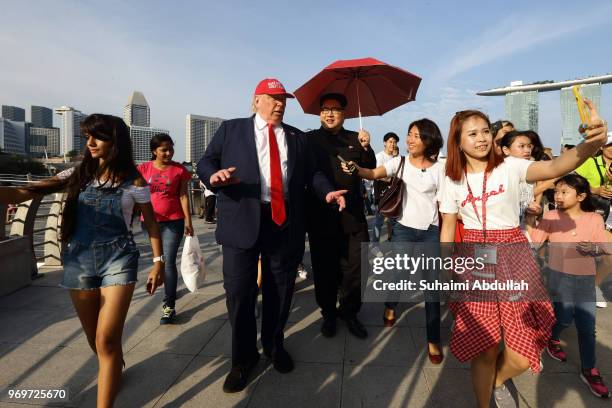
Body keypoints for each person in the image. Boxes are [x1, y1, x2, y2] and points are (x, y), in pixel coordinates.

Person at [438, 104, 609, 408]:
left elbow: (556, 167)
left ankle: (498, 379)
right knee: (486, 348)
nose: (481, 138)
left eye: (486, 131)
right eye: (472, 133)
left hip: (514, 255)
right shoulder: (451, 178)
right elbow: (448, 227)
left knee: (520, 351)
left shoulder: (510, 167)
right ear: (458, 140)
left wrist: (592, 143)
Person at [0, 114, 165, 408]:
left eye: (97, 137)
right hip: (79, 259)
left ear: (116, 142)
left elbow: (151, 223)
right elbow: (27, 191)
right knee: (95, 340)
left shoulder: (134, 181)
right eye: (87, 136)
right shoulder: (76, 175)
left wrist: (158, 261)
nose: (90, 143)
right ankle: (114, 364)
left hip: (119, 258)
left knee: (106, 340)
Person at [197, 78, 347, 393]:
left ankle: (274, 345)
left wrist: (327, 193)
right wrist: (214, 176)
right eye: (273, 98)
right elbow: (206, 162)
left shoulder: (297, 138)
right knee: (239, 293)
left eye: (283, 100)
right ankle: (242, 359)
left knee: (280, 289)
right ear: (256, 101)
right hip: (241, 219)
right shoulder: (232, 130)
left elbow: (314, 175)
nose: (279, 104)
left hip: (283, 222)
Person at [343, 118, 445, 363]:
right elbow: (373, 173)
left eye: (416, 135)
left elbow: (445, 205)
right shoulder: (398, 163)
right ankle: (390, 304)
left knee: (432, 286)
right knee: (399, 275)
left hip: (431, 231)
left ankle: (433, 338)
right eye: (409, 134)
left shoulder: (440, 168)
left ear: (429, 140)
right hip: (402, 229)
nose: (410, 139)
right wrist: (357, 169)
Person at [526, 174, 611, 398]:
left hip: (584, 280)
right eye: (557, 192)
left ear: (581, 196)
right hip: (557, 278)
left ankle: (590, 370)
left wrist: (594, 249)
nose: (558, 196)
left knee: (587, 328)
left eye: (565, 192)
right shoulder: (551, 216)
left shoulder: (594, 219)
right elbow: (533, 242)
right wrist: (529, 218)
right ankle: (550, 339)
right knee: (562, 318)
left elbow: (605, 247)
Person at [305, 93, 376, 340]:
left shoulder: (356, 139)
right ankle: (328, 314)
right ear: (320, 113)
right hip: (321, 217)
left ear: (344, 114)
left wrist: (366, 148)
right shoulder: (310, 139)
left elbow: (370, 170)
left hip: (353, 216)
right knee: (324, 269)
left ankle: (350, 312)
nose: (330, 113)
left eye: (335, 109)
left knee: (355, 269)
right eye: (325, 109)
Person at [138, 133, 193, 324]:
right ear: (154, 151)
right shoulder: (143, 169)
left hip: (173, 221)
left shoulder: (179, 170)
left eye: (170, 149)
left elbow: (183, 196)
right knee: (158, 260)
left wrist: (188, 221)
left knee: (168, 261)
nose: (168, 153)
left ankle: (169, 306)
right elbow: (133, 193)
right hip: (149, 222)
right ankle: (167, 290)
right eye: (164, 150)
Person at [372, 132, 400, 250]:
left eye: (394, 142)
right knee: (379, 221)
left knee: (394, 221)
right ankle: (375, 246)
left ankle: (394, 245)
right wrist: (393, 177)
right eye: (390, 142)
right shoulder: (379, 156)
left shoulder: (396, 158)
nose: (392, 144)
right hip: (381, 194)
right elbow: (378, 174)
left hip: (394, 194)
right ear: (384, 143)